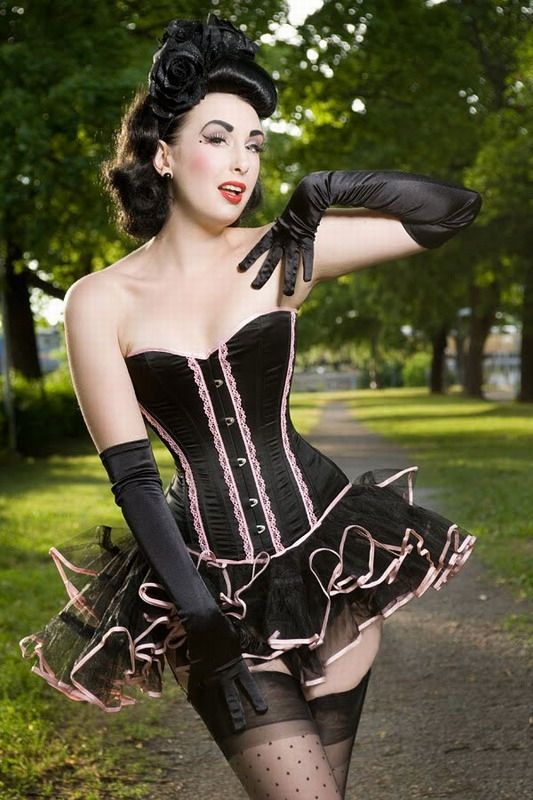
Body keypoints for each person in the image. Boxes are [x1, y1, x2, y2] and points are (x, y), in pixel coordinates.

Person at [19, 13, 481, 799]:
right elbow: (133, 477)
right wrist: (200, 617)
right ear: (163, 155)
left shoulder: (280, 253)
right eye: (218, 137)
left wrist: (326, 190)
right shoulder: (98, 300)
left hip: (326, 560)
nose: (242, 161)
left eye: (255, 144)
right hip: (208, 588)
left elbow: (450, 210)